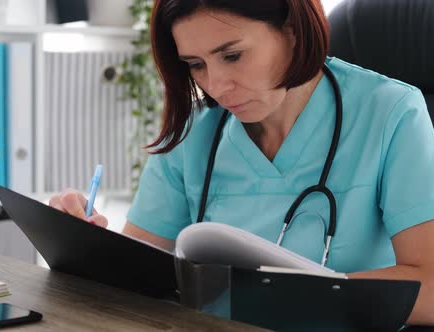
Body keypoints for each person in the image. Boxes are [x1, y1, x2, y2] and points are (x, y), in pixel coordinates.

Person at [49, 0, 434, 326]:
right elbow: (136, 271)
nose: (215, 85)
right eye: (196, 64)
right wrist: (84, 243)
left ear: (291, 28)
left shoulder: (390, 113)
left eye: (232, 56)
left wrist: (310, 295)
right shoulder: (195, 132)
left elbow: (430, 287)